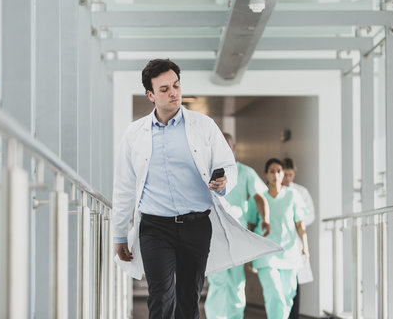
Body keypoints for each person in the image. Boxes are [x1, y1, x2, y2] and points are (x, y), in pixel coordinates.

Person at [112, 59, 280, 319]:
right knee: (161, 295)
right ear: (150, 95)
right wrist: (120, 234)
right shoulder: (134, 134)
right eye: (165, 88)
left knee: (189, 297)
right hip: (155, 227)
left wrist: (224, 183)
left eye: (176, 85)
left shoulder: (204, 126)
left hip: (196, 225)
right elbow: (124, 185)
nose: (173, 92)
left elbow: (229, 167)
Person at [204, 133, 268, 319]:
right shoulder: (207, 172)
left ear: (233, 147)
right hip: (215, 234)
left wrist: (264, 220)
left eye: (227, 145)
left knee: (237, 282)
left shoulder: (245, 172)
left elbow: (260, 197)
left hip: (238, 234)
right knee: (218, 280)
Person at [246, 158, 309, 319]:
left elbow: (300, 224)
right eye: (272, 171)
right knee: (275, 295)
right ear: (266, 174)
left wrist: (305, 248)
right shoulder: (259, 198)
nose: (276, 174)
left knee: (288, 296)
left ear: (283, 174)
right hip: (266, 254)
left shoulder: (292, 196)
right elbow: (251, 227)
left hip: (289, 253)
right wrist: (249, 254)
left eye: (279, 171)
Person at [282, 157, 315, 319]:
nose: (287, 178)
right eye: (285, 174)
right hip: (280, 244)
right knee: (279, 288)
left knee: (294, 286)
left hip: (294, 243)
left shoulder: (300, 192)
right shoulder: (273, 191)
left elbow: (310, 216)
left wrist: (295, 221)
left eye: (290, 175)